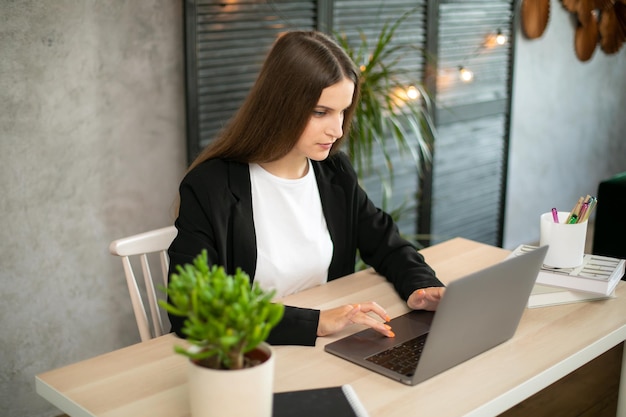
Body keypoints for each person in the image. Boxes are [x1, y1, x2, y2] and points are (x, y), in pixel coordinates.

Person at [167, 30, 445, 346]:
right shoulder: (210, 186)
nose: (337, 129)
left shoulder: (334, 173)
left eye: (343, 111)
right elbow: (189, 309)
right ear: (280, 105)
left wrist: (421, 287)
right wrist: (314, 322)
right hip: (248, 352)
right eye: (320, 112)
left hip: (326, 346)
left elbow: (387, 244)